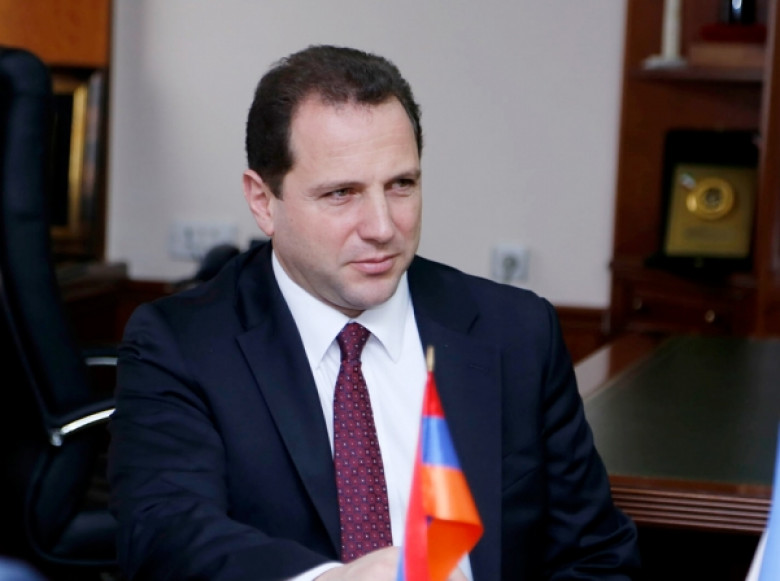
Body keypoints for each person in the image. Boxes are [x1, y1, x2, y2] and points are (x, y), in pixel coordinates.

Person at [107, 44, 640, 580]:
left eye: (401, 185)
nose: (383, 227)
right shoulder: (182, 344)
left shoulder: (517, 332)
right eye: (342, 193)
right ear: (263, 201)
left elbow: (596, 556)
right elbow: (164, 533)